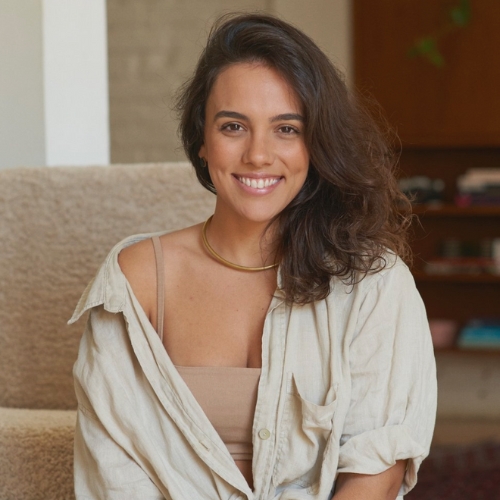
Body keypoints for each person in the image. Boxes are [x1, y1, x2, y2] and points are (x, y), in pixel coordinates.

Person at [71, 12, 437, 500]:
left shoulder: (374, 283)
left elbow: (376, 468)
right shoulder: (134, 282)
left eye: (286, 129)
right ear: (202, 140)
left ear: (315, 143)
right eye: (233, 126)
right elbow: (115, 475)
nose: (258, 155)